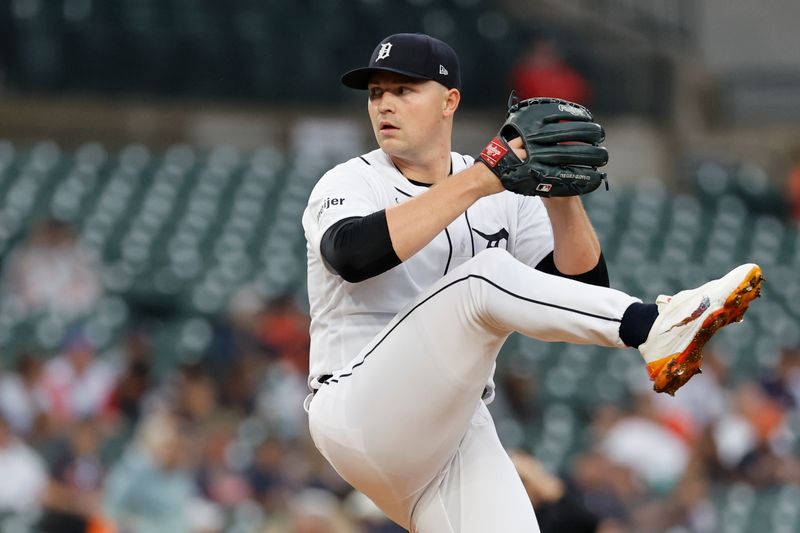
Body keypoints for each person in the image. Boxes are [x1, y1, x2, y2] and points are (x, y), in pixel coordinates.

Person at [301, 33, 763, 532]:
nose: (385, 104)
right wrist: (482, 176)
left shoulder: (501, 189)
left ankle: (652, 329)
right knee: (483, 279)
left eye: (404, 90)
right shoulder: (351, 180)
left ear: (449, 102)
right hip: (358, 406)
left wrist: (558, 191)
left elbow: (584, 287)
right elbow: (350, 254)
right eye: (376, 93)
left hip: (452, 435)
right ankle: (656, 328)